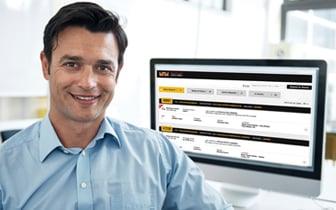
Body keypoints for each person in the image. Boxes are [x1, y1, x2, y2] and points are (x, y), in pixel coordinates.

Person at [0, 2, 234, 210]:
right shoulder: (5, 168)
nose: (88, 83)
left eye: (103, 67)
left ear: (117, 72)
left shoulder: (158, 154)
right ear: (46, 65)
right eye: (72, 64)